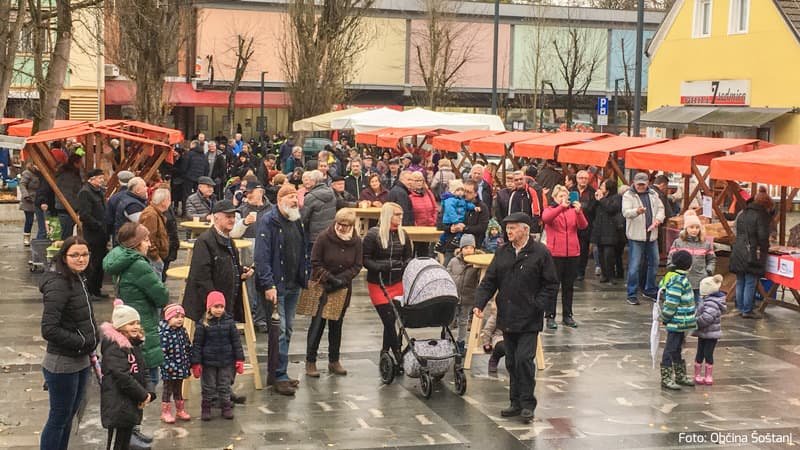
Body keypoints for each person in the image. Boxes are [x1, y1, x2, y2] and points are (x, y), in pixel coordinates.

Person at [473, 212, 559, 423]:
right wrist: (479, 303)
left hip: (529, 318)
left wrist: (538, 305)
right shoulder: (503, 252)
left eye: (513, 228)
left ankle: (528, 403)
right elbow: (489, 280)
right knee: (511, 361)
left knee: (524, 360)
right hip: (507, 315)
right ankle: (515, 402)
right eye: (507, 228)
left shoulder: (540, 252)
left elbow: (551, 284)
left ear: (525, 230)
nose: (508, 231)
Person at [39, 236, 99, 450]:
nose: (81, 259)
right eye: (75, 255)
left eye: (84, 254)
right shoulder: (59, 284)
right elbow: (49, 329)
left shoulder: (78, 278)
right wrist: (81, 342)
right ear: (64, 257)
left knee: (68, 417)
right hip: (62, 364)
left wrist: (91, 342)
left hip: (81, 360)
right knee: (58, 418)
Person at [254, 185, 310, 396]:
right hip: (276, 286)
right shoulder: (268, 221)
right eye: (290, 197)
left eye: (296, 196)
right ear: (280, 200)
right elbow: (261, 256)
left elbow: (303, 248)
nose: (295, 200)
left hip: (293, 284)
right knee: (280, 331)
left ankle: (281, 371)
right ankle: (278, 376)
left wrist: (306, 273)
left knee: (288, 329)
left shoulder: (296, 220)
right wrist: (268, 284)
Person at [103, 222, 170, 387]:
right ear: (136, 243)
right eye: (146, 240)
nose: (149, 243)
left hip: (128, 321)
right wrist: (156, 266)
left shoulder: (120, 259)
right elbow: (161, 296)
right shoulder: (139, 265)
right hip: (143, 323)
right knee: (150, 378)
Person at [305, 209, 363, 377]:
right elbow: (315, 262)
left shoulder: (356, 241)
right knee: (317, 325)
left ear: (352, 226)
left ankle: (334, 360)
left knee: (336, 326)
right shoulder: (324, 237)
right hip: (321, 286)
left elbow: (357, 265)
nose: (342, 228)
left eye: (346, 226)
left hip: (342, 287)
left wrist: (342, 279)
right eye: (340, 224)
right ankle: (310, 361)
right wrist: (329, 278)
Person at [99, 300, 156, 450]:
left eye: (137, 322)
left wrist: (149, 392)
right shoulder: (115, 347)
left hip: (130, 404)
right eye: (131, 324)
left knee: (126, 441)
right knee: (117, 443)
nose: (136, 326)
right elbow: (122, 376)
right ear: (120, 326)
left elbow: (144, 370)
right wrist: (142, 395)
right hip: (119, 405)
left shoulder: (133, 345)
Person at [362, 202, 413, 367]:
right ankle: (397, 352)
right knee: (388, 319)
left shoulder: (403, 234)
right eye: (397, 214)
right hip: (378, 283)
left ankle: (385, 351)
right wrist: (381, 266)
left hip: (397, 282)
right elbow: (365, 259)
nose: (400, 217)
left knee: (392, 319)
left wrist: (404, 265)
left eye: (401, 214)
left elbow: (408, 257)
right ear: (388, 215)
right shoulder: (373, 235)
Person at [190, 291, 245, 421]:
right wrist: (196, 363)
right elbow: (197, 344)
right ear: (209, 307)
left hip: (226, 361)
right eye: (216, 307)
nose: (219, 310)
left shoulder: (229, 322)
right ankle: (206, 407)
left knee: (224, 385)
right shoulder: (203, 324)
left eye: (221, 307)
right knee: (208, 386)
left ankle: (226, 407)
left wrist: (239, 359)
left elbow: (236, 342)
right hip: (208, 362)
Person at [541, 185, 588, 329]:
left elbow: (583, 226)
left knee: (569, 286)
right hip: (555, 253)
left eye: (565, 196)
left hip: (572, 252)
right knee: (553, 286)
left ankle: (568, 315)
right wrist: (561, 207)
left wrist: (579, 212)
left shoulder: (573, 211)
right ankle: (550, 316)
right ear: (555, 198)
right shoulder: (551, 210)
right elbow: (546, 218)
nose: (563, 199)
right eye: (560, 196)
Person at [230, 183, 273, 332]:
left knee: (263, 284)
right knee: (246, 287)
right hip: (246, 249)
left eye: (251, 193)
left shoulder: (272, 209)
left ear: (260, 192)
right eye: (246, 193)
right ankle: (246, 318)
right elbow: (233, 233)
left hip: (266, 249)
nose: (247, 196)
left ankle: (261, 319)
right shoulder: (240, 210)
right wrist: (245, 222)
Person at [622, 172, 665, 305]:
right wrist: (637, 211)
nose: (640, 186)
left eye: (643, 184)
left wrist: (658, 219)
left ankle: (650, 288)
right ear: (634, 183)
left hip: (651, 235)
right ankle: (631, 293)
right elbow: (625, 212)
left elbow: (661, 209)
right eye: (638, 184)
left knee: (655, 262)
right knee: (634, 266)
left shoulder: (653, 194)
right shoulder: (628, 195)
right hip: (636, 236)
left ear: (648, 184)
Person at [730, 192, 772, 319]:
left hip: (738, 249)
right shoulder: (761, 215)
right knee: (750, 281)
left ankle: (740, 307)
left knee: (740, 280)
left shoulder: (742, 213)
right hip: (752, 252)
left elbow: (736, 230)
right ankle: (747, 310)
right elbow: (763, 237)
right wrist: (765, 248)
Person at [658, 250, 697, 390]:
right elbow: (672, 302)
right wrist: (665, 317)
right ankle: (666, 377)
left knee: (677, 348)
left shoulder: (679, 278)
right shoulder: (677, 280)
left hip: (682, 322)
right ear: (688, 266)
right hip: (676, 321)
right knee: (670, 348)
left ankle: (680, 375)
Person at [667, 211, 716, 299]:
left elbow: (711, 259)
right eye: (691, 227)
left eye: (697, 227)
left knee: (698, 302)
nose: (694, 230)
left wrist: (709, 271)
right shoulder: (678, 242)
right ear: (686, 228)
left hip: (700, 279)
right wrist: (673, 271)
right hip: (682, 280)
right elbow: (671, 258)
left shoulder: (706, 244)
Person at [446, 234, 482, 354]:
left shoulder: (476, 264)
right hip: (454, 296)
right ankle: (446, 342)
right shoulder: (453, 261)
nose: (468, 250)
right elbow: (447, 274)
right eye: (466, 248)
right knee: (449, 320)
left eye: (471, 248)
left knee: (463, 320)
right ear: (461, 249)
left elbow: (479, 279)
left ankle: (461, 343)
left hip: (467, 297)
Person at [77, 169, 109, 299]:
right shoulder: (85, 192)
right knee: (93, 263)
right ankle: (89, 291)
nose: (102, 180)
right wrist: (98, 225)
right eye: (99, 178)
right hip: (93, 235)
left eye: (102, 177)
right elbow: (84, 215)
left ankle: (97, 289)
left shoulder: (99, 192)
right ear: (91, 179)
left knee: (100, 263)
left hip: (102, 234)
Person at [158, 303, 192, 423]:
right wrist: (169, 367)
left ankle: (180, 410)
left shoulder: (182, 331)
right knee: (167, 390)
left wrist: (189, 361)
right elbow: (162, 354)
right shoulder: (164, 334)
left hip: (181, 367)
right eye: (176, 317)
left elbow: (187, 347)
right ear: (168, 318)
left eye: (182, 317)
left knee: (178, 389)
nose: (179, 319)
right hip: (170, 370)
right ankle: (165, 412)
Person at [693, 275, 726, 385]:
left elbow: (707, 318)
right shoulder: (707, 300)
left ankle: (708, 375)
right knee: (700, 352)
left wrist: (695, 322)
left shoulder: (711, 303)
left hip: (711, 333)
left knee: (708, 353)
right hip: (704, 333)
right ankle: (698, 374)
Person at [592, 179, 625, 283]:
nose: (601, 188)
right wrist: (596, 200)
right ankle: (604, 274)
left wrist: (601, 200)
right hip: (600, 228)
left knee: (609, 254)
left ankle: (611, 275)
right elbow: (592, 209)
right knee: (600, 253)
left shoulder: (617, 198)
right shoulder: (600, 198)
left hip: (610, 230)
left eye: (603, 186)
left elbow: (612, 208)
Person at [139, 188, 172, 279]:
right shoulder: (151, 215)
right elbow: (148, 237)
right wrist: (155, 257)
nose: (170, 202)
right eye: (169, 199)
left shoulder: (156, 213)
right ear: (163, 201)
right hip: (153, 258)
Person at [438, 179, 478, 252]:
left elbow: (481, 227)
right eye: (464, 191)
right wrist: (450, 227)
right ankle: (441, 242)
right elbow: (439, 224)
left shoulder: (479, 206)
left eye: (468, 192)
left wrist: (464, 228)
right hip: (449, 244)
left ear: (475, 193)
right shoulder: (451, 201)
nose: (464, 193)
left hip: (470, 245)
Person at [571, 170, 597, 281]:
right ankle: (572, 270)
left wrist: (581, 207)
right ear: (577, 179)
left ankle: (581, 272)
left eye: (585, 178)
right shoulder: (571, 191)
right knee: (572, 249)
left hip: (587, 224)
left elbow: (593, 208)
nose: (583, 180)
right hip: (572, 224)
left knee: (583, 249)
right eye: (581, 178)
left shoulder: (592, 192)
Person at [300, 170, 337, 246]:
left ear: (313, 181)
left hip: (315, 236)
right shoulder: (332, 192)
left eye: (309, 180)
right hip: (330, 233)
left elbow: (303, 217)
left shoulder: (310, 197)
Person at [55, 154, 83, 239]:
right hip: (66, 207)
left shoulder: (69, 173)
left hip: (66, 206)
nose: (82, 165)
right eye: (80, 163)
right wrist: (77, 207)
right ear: (75, 163)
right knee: (66, 233)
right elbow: (68, 194)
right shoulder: (68, 176)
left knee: (67, 232)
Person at [19, 161, 46, 244]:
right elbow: (22, 185)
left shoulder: (41, 173)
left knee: (41, 219)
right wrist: (26, 195)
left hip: (38, 199)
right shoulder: (27, 173)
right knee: (29, 220)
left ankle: (41, 236)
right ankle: (26, 237)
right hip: (29, 200)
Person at [480, 301, 504, 374]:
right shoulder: (498, 313)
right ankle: (494, 358)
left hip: (515, 336)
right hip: (500, 336)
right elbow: (488, 329)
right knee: (503, 347)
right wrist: (486, 343)